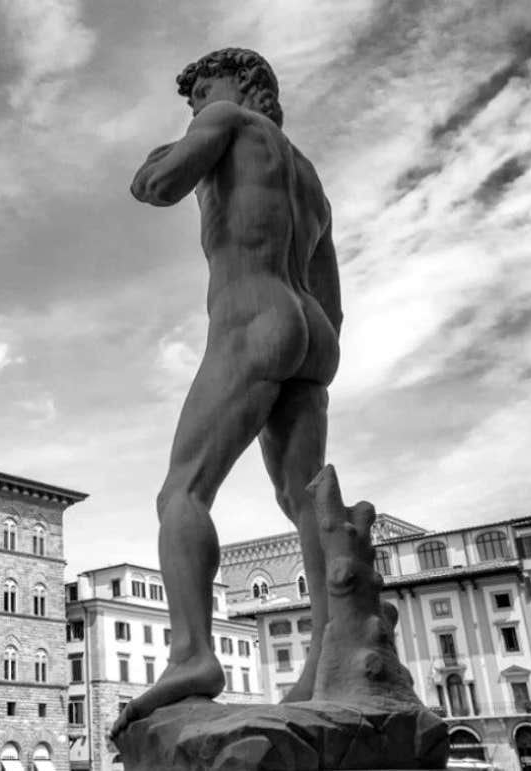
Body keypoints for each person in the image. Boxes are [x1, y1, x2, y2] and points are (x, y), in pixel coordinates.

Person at [112, 48, 342, 738]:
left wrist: (157, 158)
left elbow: (158, 186)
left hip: (252, 314)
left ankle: (192, 655)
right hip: (314, 331)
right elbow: (332, 295)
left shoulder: (225, 119)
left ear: (243, 83)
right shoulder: (309, 176)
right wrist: (310, 350)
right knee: (304, 499)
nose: (195, 104)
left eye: (201, 89)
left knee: (182, 492)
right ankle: (328, 657)